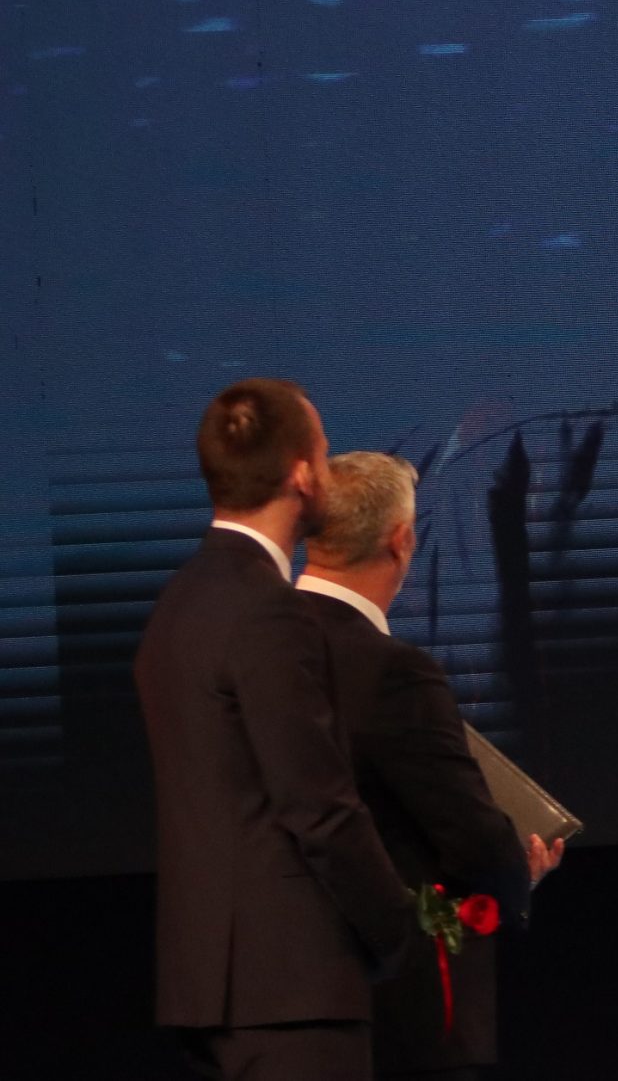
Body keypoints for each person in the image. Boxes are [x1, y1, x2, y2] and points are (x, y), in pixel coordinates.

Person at [135, 379, 415, 1081]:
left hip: (213, 980)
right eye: (322, 453)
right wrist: (397, 925)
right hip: (290, 983)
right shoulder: (268, 610)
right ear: (300, 474)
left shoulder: (181, 600)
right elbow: (317, 803)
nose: (326, 472)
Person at [295, 452, 563, 1080]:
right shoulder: (394, 672)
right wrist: (513, 870)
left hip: (280, 986)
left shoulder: (255, 644)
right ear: (402, 540)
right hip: (399, 1005)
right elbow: (469, 833)